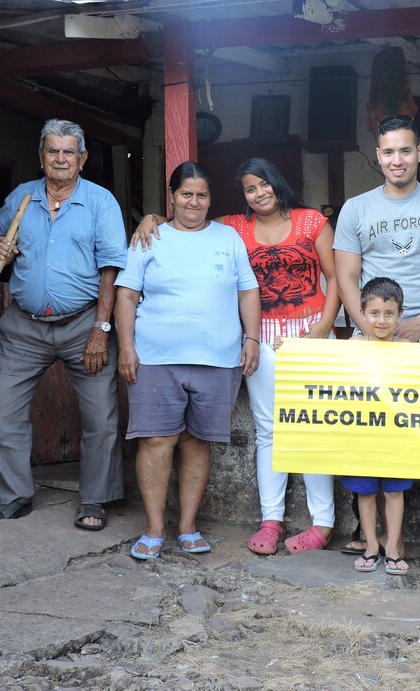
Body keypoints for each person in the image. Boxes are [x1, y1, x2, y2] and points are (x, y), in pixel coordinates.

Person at [132, 157, 340, 555]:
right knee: (268, 428)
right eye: (250, 188)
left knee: (315, 425)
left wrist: (323, 327)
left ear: (278, 183)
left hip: (311, 332)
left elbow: (335, 277)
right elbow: (187, 218)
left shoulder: (312, 221)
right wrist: (150, 218)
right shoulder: (234, 227)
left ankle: (323, 523)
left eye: (265, 184)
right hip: (261, 336)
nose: (259, 193)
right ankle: (271, 519)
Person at [333, 113, 420, 586]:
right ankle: (372, 535)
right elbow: (347, 277)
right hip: (371, 332)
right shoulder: (356, 209)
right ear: (378, 156)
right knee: (366, 431)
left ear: (419, 153)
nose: (398, 159)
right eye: (389, 151)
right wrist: (368, 330)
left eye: (405, 150)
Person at [0, 119, 127, 532]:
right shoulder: (22, 197)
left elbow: (111, 270)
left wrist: (101, 329)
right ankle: (14, 496)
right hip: (24, 326)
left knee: (101, 417)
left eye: (68, 152)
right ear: (41, 156)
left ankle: (95, 498)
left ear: (82, 158)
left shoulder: (100, 202)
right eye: (52, 151)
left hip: (84, 323)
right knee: (4, 409)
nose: (60, 159)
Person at [116, 161, 261, 560]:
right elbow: (126, 294)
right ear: (172, 196)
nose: (193, 202)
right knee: (155, 440)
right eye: (186, 194)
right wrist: (126, 347)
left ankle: (187, 527)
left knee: (197, 442)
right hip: (156, 357)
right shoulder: (149, 237)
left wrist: (251, 337)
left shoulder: (228, 237)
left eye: (201, 195)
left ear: (210, 199)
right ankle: (153, 529)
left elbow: (247, 291)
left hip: (218, 357)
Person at [276, 277, 413, 575]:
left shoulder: (408, 348)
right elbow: (323, 364)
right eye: (374, 313)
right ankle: (371, 546)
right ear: (362, 314)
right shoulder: (351, 346)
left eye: (389, 313)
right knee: (366, 493)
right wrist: (290, 350)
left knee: (394, 493)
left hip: (396, 439)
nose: (381, 320)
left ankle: (392, 548)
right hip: (361, 437)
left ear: (400, 315)